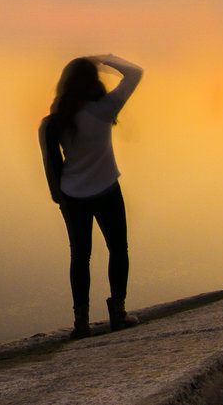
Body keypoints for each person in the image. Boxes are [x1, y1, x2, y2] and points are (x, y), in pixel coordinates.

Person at [39, 54, 143, 338]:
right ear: (93, 81)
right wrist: (106, 59)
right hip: (107, 189)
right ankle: (118, 314)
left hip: (73, 195)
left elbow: (51, 165)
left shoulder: (54, 121)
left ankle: (81, 323)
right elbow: (135, 72)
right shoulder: (107, 107)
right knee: (118, 250)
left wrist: (59, 199)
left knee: (80, 257)